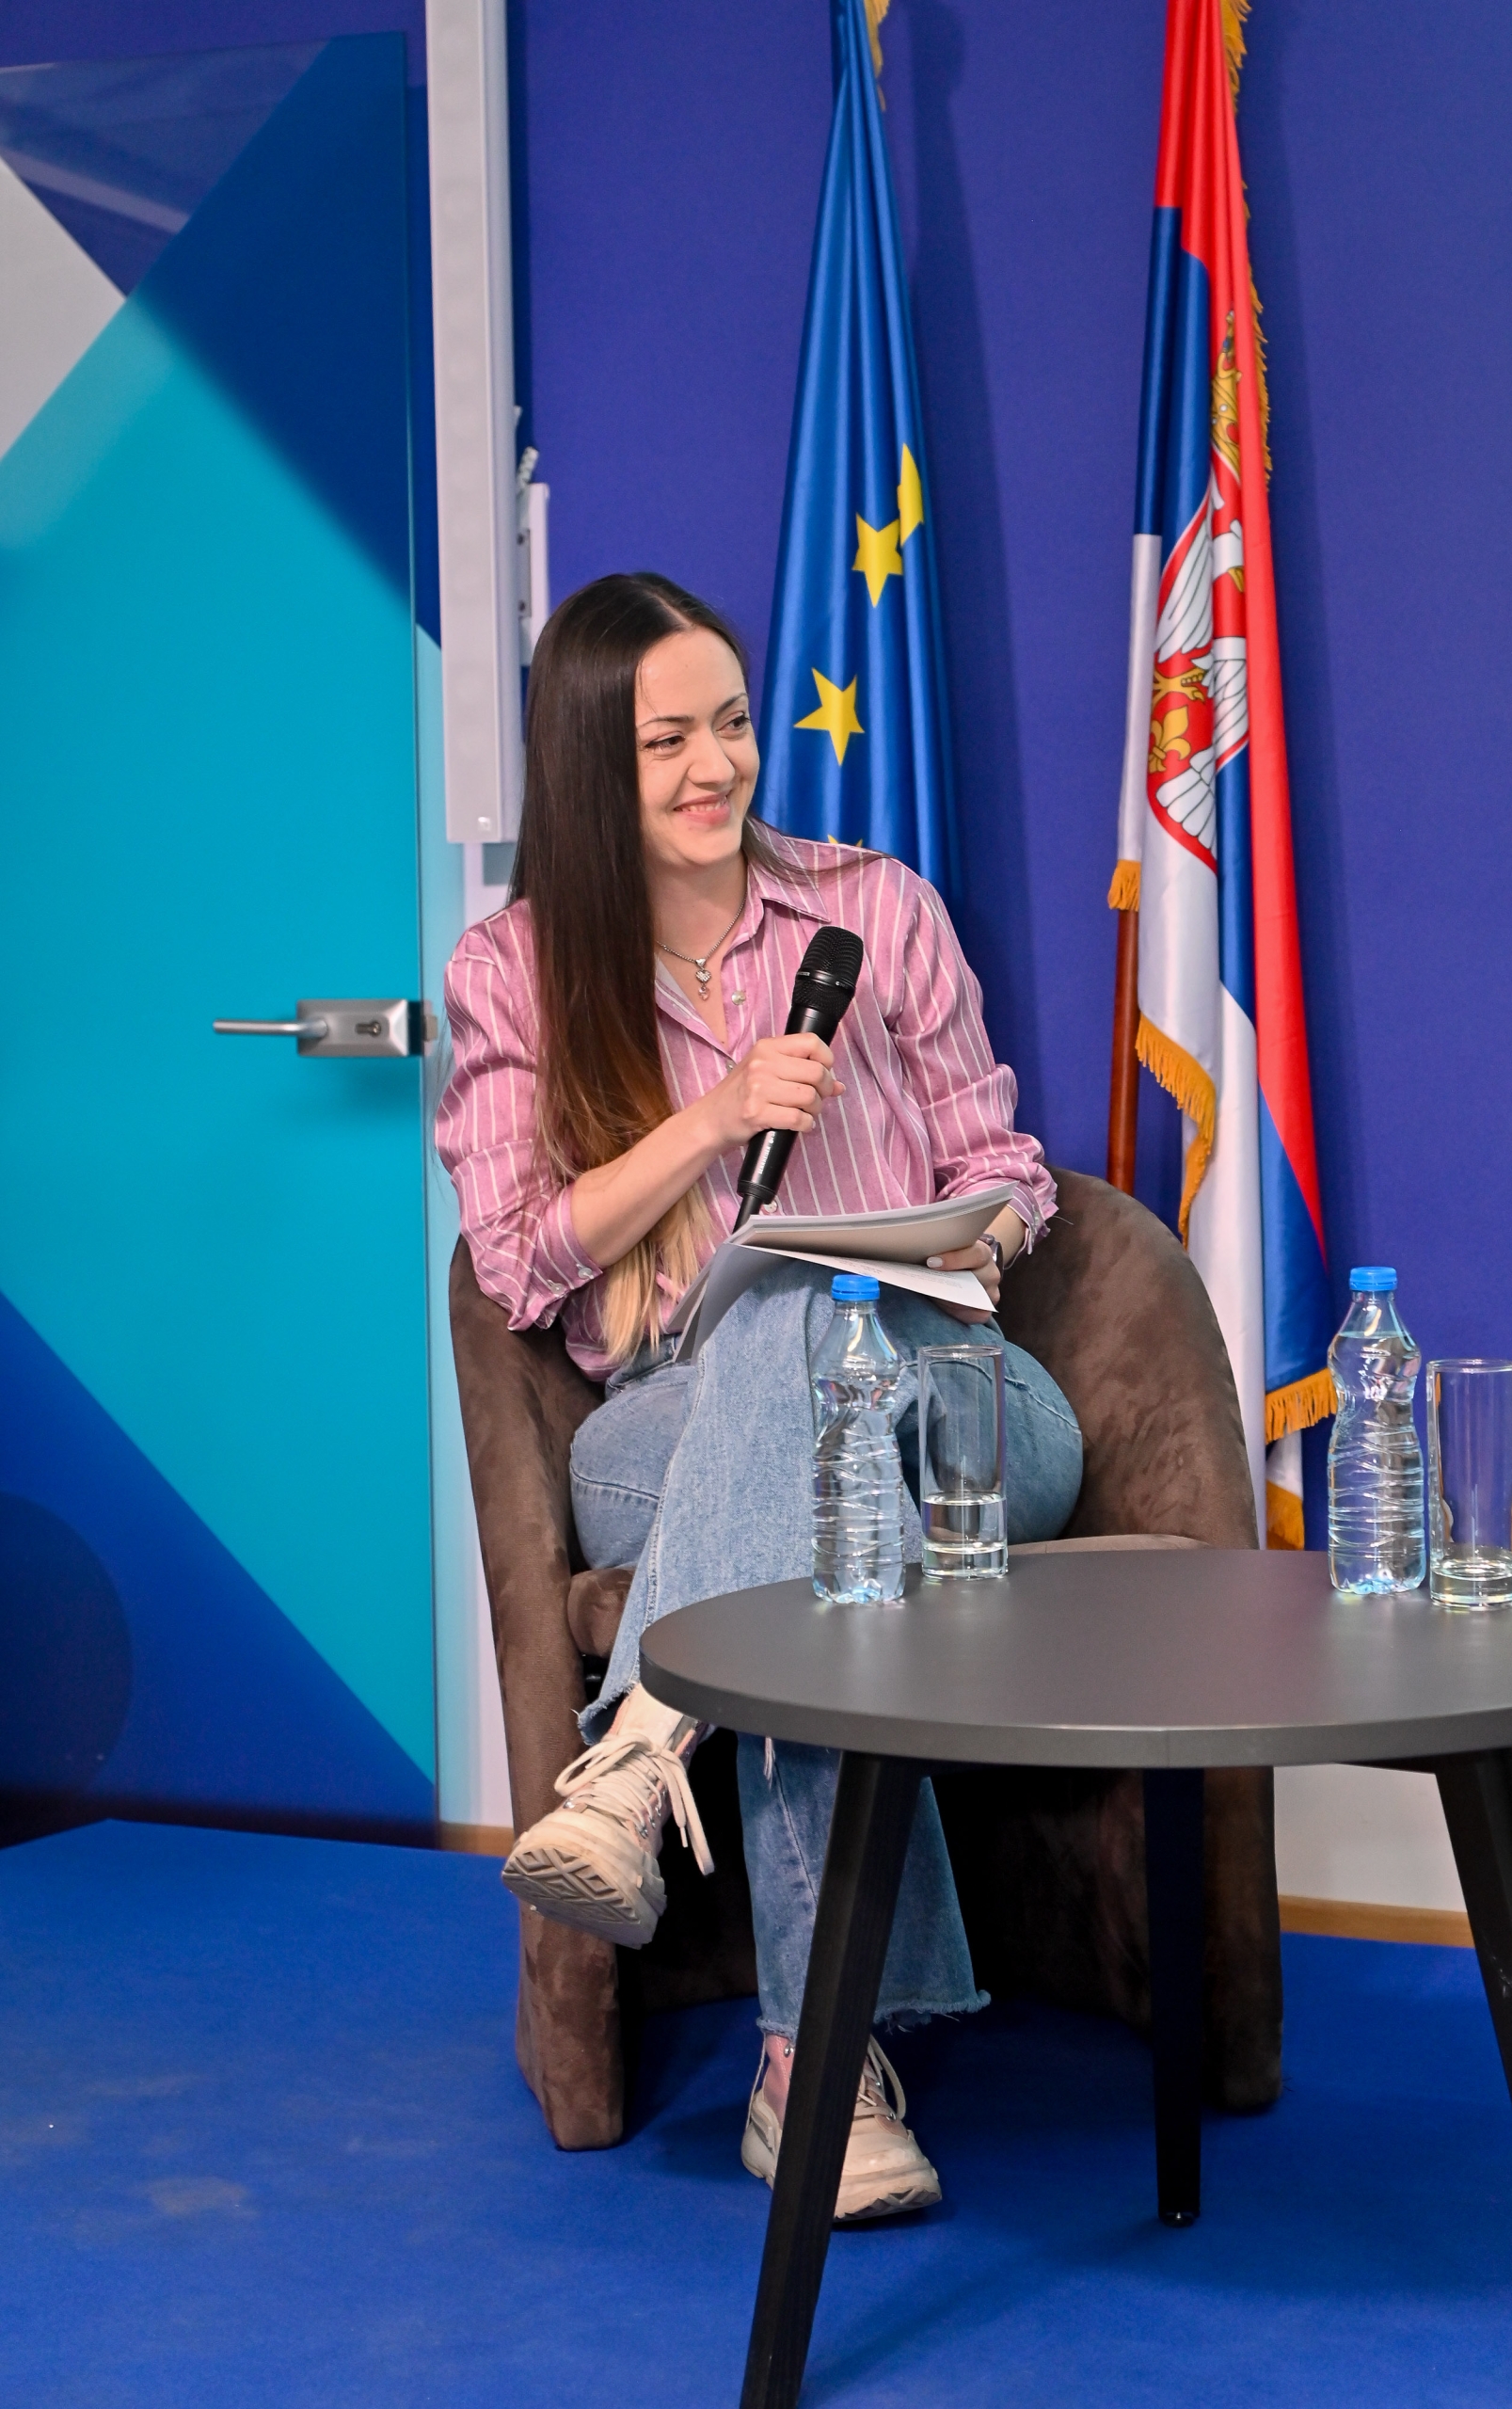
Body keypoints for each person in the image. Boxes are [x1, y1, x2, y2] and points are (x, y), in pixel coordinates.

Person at [436, 571, 1082, 2221]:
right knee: (792, 1370)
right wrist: (714, 1122)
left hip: (958, 1405)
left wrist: (969, 1240)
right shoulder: (513, 970)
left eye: (730, 723)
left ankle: (644, 1747)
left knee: (816, 1323)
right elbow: (516, 1259)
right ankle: (821, 2067)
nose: (717, 764)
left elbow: (1008, 1165)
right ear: (591, 759)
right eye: (668, 740)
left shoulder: (877, 909)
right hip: (668, 1432)